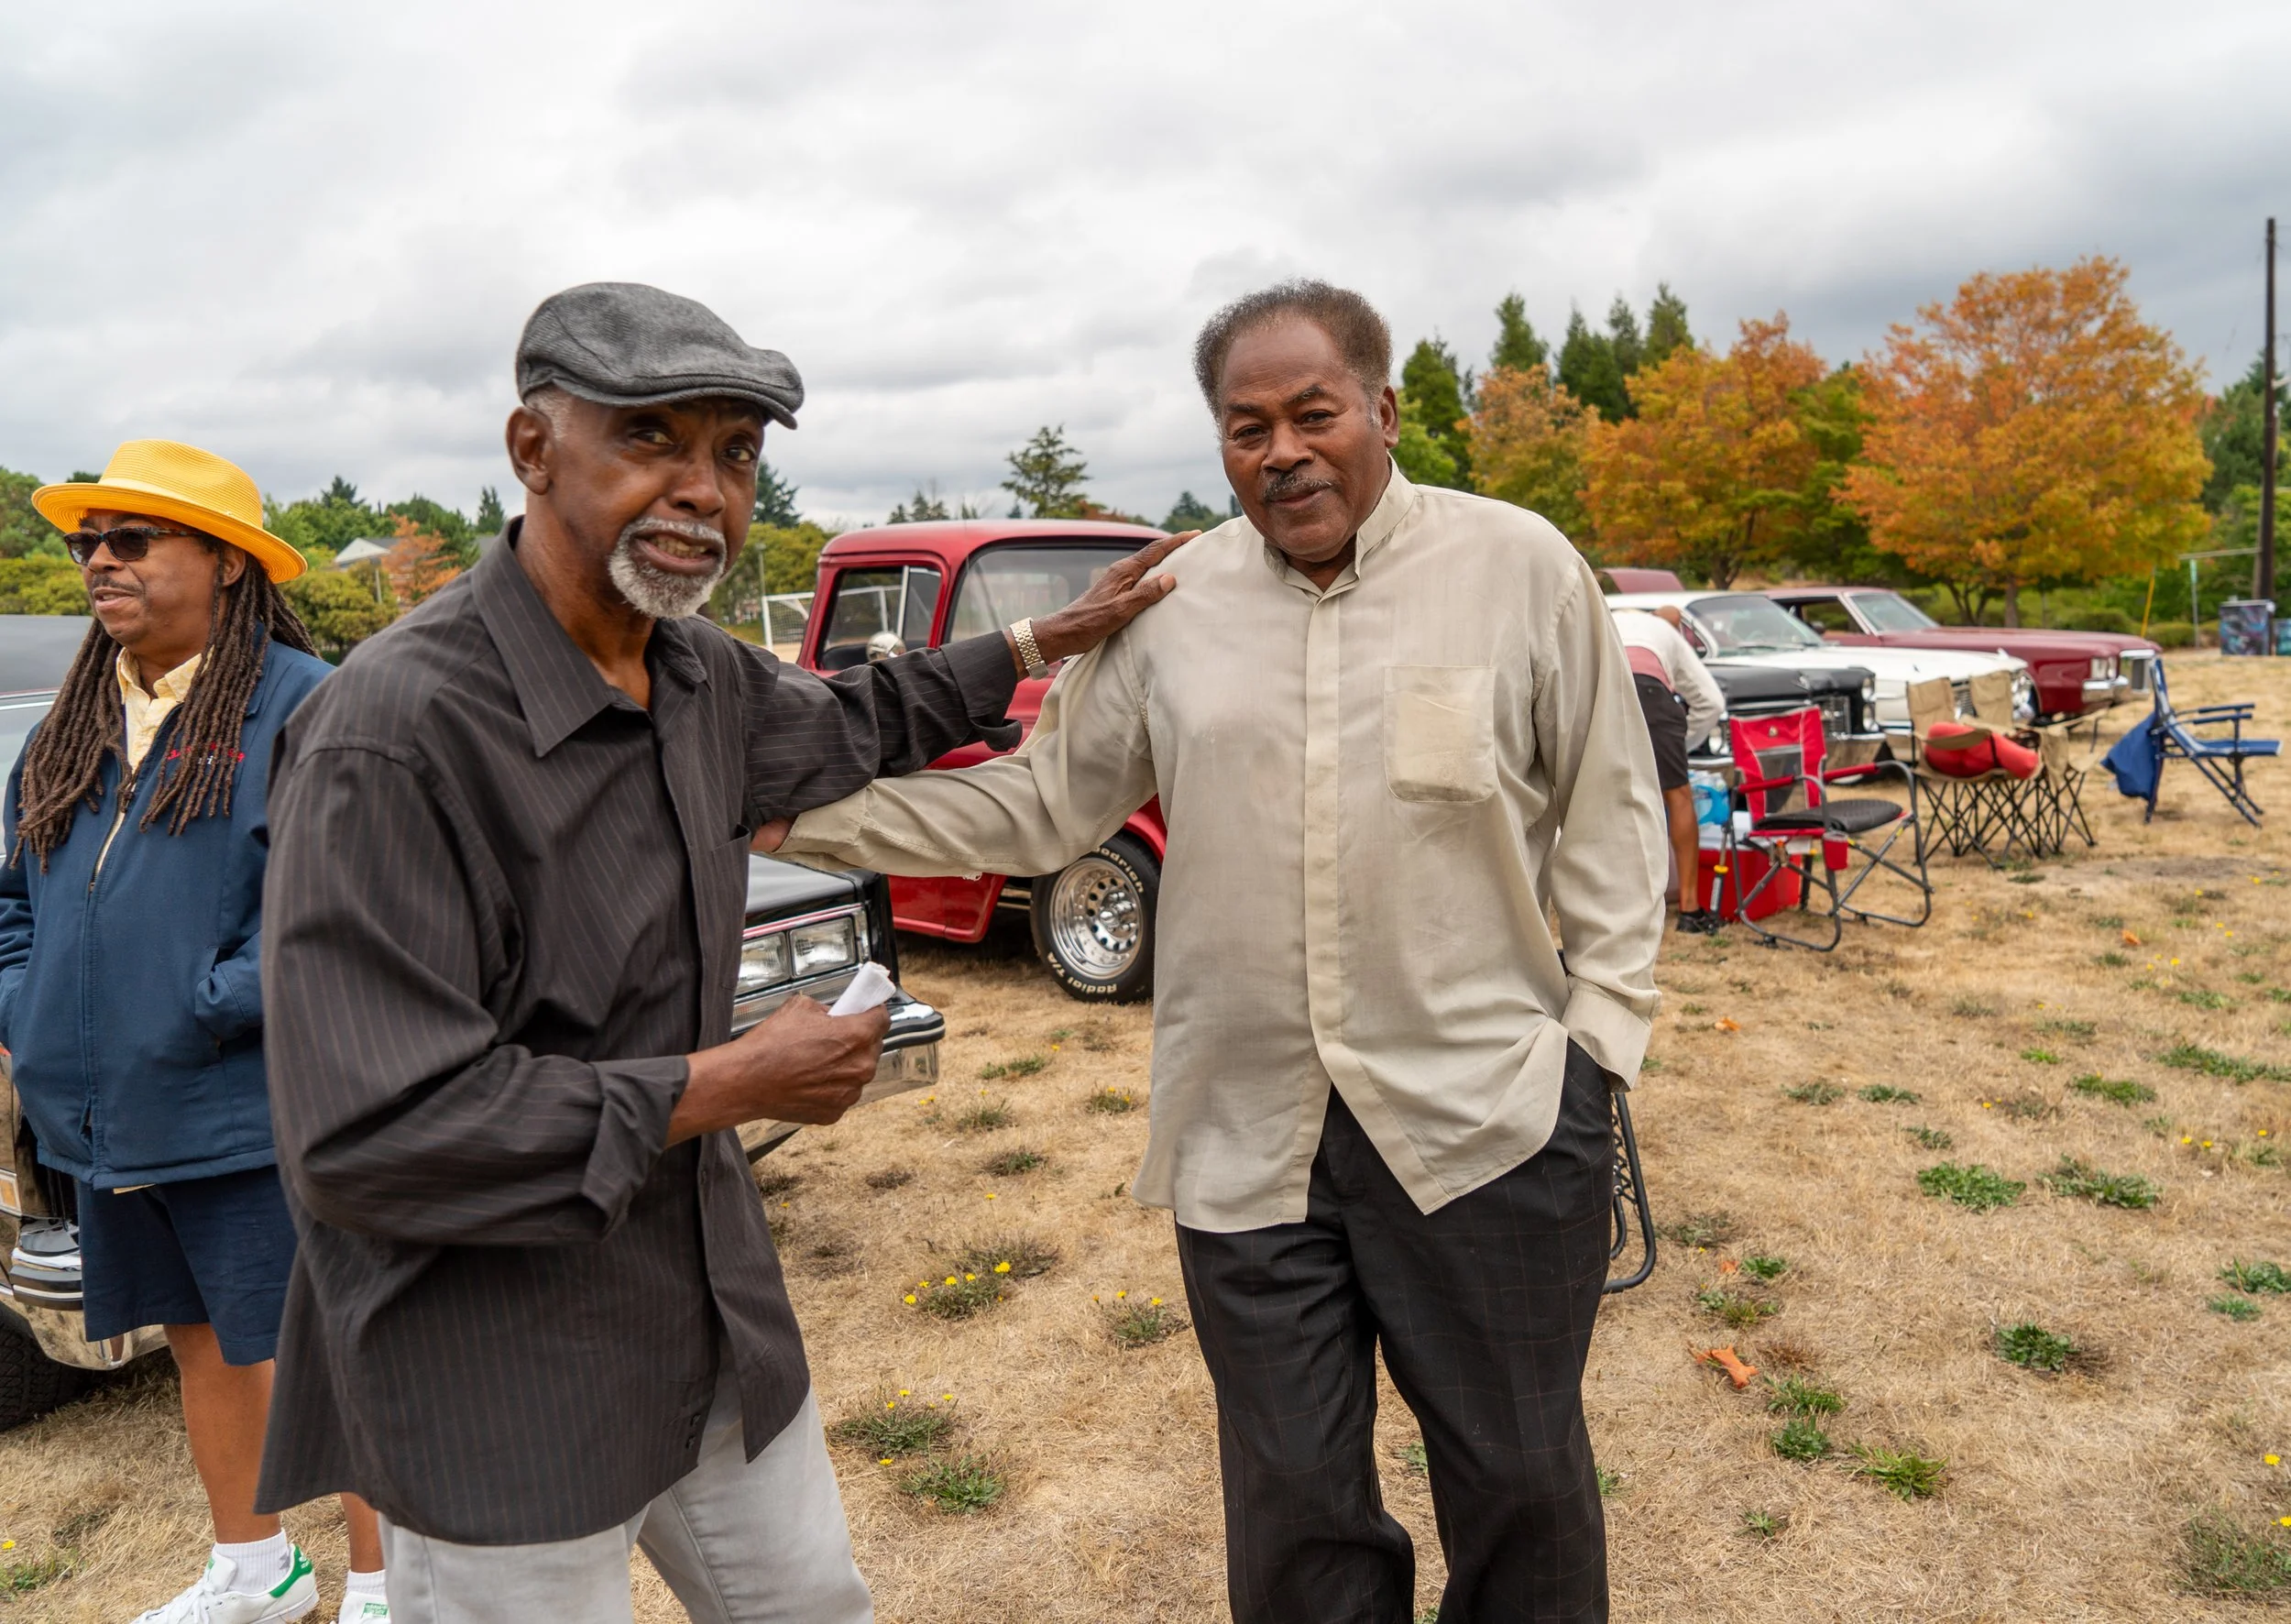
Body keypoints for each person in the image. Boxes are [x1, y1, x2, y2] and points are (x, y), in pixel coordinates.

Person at [253, 282, 1183, 1623]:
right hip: (495, 1368)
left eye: (736, 453)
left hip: (703, 1315)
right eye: (651, 438)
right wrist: (735, 1083)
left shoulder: (695, 676)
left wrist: (1044, 638)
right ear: (531, 449)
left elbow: (859, 716)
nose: (704, 490)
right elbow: (368, 1136)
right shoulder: (389, 735)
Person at [768, 279, 1666, 1622]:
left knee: (1521, 1488)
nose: (1283, 451)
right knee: (1295, 1510)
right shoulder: (1173, 598)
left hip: (1487, 1118)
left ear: (1383, 409)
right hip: (1248, 1138)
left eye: (1314, 414)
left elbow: (1611, 815)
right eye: (1248, 428)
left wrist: (1598, 1047)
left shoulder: (1519, 565)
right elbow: (1040, 804)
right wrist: (803, 821)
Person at [0, 442, 388, 1623]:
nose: (99, 561)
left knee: (328, 1341)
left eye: (132, 539)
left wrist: (202, 1004)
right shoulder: (72, 722)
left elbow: (348, 902)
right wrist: (29, 1006)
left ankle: (391, 1584)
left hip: (256, 1101)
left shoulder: (306, 704)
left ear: (225, 562)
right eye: (88, 542)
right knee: (200, 1336)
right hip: (114, 1113)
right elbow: (13, 902)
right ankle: (256, 1570)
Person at [1611, 605, 1724, 934]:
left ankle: (1611, 907)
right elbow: (1711, 703)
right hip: (1650, 694)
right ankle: (1690, 909)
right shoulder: (1664, 632)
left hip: (1598, 696)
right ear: (1675, 626)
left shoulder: (1605, 619)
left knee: (1600, 801)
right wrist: (1681, 746)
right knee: (1679, 796)